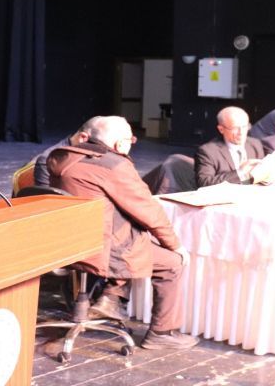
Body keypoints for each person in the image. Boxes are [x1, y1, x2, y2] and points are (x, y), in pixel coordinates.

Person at [47, 116, 198, 350]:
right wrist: (176, 246)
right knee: (172, 263)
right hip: (99, 249)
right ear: (120, 144)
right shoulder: (114, 165)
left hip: (66, 244)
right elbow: (148, 211)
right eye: (131, 140)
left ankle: (112, 297)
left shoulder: (62, 158)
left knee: (131, 235)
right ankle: (161, 333)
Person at [195, 106, 275, 187]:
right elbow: (204, 183)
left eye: (245, 126)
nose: (241, 132)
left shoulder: (255, 144)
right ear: (221, 129)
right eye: (235, 128)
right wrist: (240, 172)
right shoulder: (208, 151)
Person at [32, 116, 100, 186]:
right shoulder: (49, 160)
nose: (106, 152)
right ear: (83, 138)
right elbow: (48, 193)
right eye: (103, 146)